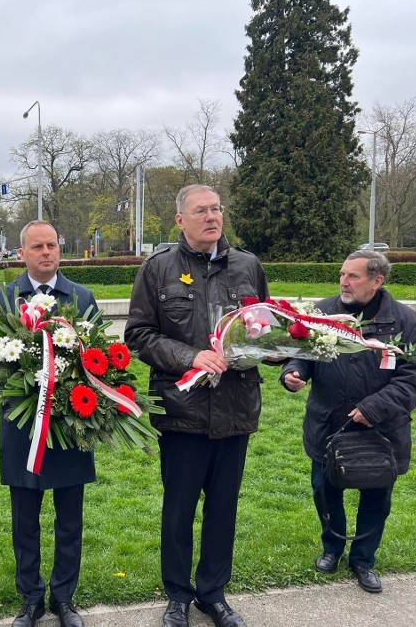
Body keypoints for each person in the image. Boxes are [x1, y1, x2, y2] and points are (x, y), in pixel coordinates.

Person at [125, 184, 270, 627]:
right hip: (182, 413)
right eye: (201, 211)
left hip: (235, 410)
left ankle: (213, 594)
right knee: (179, 511)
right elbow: (139, 335)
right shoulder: (157, 269)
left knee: (223, 509)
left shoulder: (248, 266)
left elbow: (264, 325)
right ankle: (177, 596)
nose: (212, 217)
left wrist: (276, 347)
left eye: (217, 209)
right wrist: (190, 357)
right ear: (180, 220)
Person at [280, 250, 416, 594]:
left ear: (378, 281)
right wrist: (293, 372)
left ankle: (363, 559)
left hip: (381, 430)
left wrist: (373, 408)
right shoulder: (322, 311)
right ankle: (332, 549)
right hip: (328, 425)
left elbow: (413, 379)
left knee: (377, 497)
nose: (343, 282)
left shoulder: (406, 322)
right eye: (342, 274)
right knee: (324, 489)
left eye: (353, 276)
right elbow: (302, 355)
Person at [0, 220, 98, 627]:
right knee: (24, 521)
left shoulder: (82, 297)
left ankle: (64, 598)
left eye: (52, 245)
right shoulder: (4, 299)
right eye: (37, 246)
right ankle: (30, 598)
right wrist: (28, 399)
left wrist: (66, 402)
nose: (46, 252)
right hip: (23, 430)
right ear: (22, 253)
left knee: (70, 519)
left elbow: (96, 356)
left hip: (70, 428)